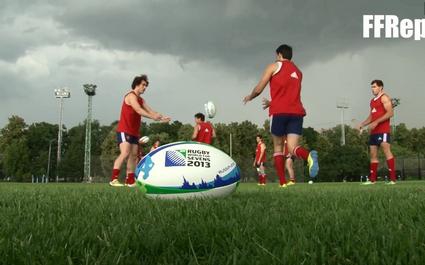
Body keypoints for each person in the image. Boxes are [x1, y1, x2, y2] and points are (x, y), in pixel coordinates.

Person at [243, 44, 319, 188]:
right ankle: (308, 156)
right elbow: (288, 94)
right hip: (297, 112)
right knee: (292, 147)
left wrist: (250, 96)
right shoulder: (298, 72)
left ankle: (283, 183)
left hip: (279, 112)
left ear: (279, 55)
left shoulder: (274, 66)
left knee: (278, 148)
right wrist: (273, 101)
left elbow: (259, 88)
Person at [110, 74, 170, 187]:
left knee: (133, 156)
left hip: (134, 132)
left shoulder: (141, 99)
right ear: (136, 84)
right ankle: (114, 179)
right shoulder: (130, 96)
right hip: (124, 129)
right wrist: (153, 117)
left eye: (146, 85)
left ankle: (130, 181)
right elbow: (138, 110)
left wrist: (161, 118)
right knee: (125, 153)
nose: (145, 87)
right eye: (143, 85)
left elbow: (151, 111)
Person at [357, 79, 396, 185]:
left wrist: (377, 122)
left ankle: (393, 180)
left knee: (386, 151)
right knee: (373, 155)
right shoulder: (372, 101)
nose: (372, 89)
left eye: (374, 87)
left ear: (381, 87)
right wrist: (363, 124)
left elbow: (390, 113)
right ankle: (372, 180)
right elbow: (371, 116)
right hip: (373, 132)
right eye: (371, 87)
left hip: (383, 131)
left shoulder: (384, 97)